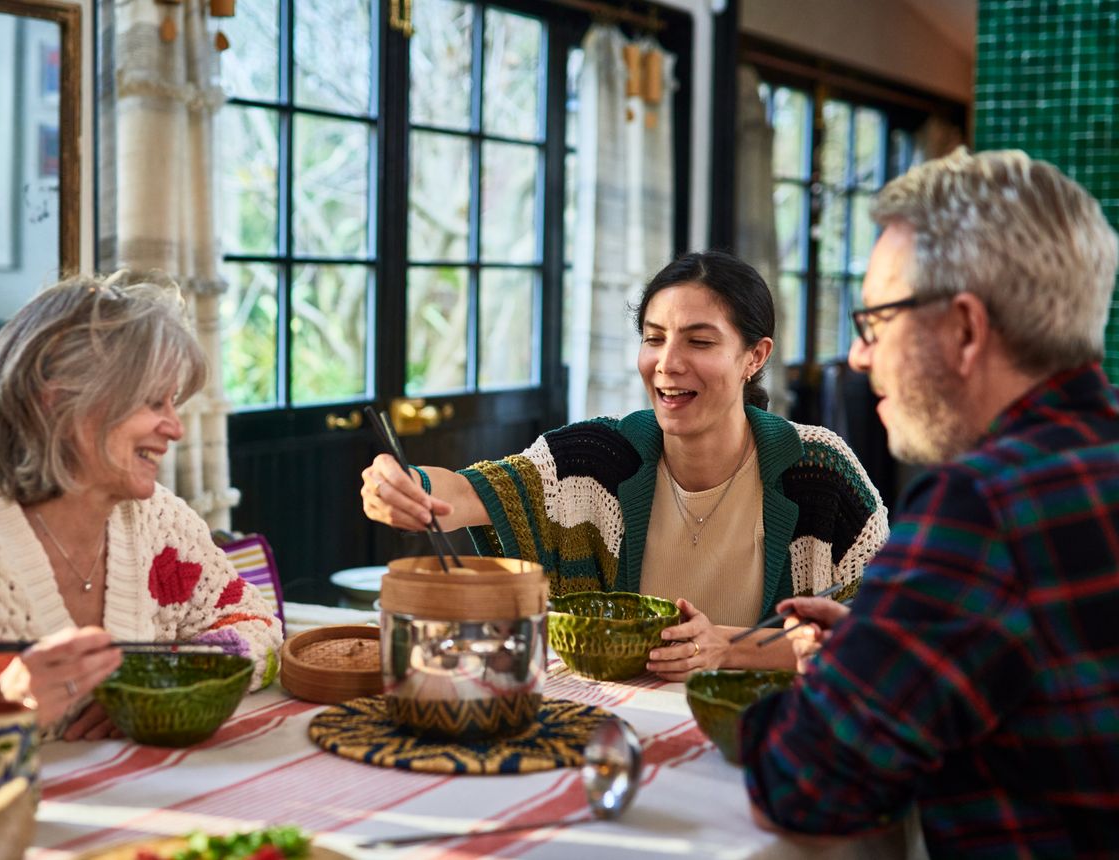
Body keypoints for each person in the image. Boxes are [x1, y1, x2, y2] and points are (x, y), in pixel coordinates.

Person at [741, 148, 1119, 857]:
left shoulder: (982, 507)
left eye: (876, 321)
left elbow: (801, 785)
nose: (860, 356)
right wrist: (877, 636)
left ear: (966, 329)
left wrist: (848, 663)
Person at [363, 250, 888, 678]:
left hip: (762, 737)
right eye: (654, 338)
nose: (667, 363)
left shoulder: (818, 471)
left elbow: (875, 633)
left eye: (699, 341)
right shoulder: (595, 458)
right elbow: (464, 494)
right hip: (617, 726)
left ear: (754, 357)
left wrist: (727, 648)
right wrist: (405, 485)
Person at [0, 273, 282, 744]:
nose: (175, 428)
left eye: (174, 403)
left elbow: (258, 626)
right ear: (59, 403)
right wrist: (2, 703)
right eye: (153, 402)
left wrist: (166, 684)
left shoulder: (161, 523)